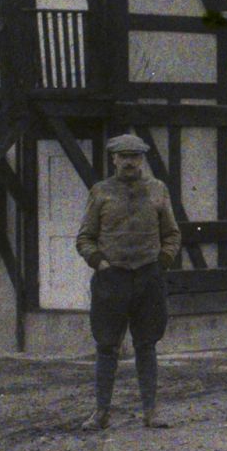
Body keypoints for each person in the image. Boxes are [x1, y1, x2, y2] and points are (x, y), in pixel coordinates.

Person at [75, 133, 182, 430]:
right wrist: (101, 264)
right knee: (107, 346)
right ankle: (101, 413)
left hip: (148, 278)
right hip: (112, 280)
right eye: (123, 156)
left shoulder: (158, 190)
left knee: (146, 345)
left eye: (135, 157)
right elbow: (85, 237)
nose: (129, 162)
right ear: (114, 159)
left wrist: (162, 262)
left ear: (142, 159)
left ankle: (151, 412)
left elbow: (172, 234)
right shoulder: (101, 192)